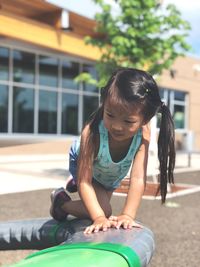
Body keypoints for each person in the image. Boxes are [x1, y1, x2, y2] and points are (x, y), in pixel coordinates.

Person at [50, 68, 175, 234]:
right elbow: (85, 182)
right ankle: (61, 202)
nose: (117, 126)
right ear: (104, 105)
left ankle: (66, 202)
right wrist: (100, 218)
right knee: (103, 210)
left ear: (145, 119)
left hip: (110, 174)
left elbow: (138, 178)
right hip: (87, 168)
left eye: (128, 121)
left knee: (94, 208)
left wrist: (128, 215)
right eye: (109, 115)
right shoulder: (92, 132)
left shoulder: (143, 133)